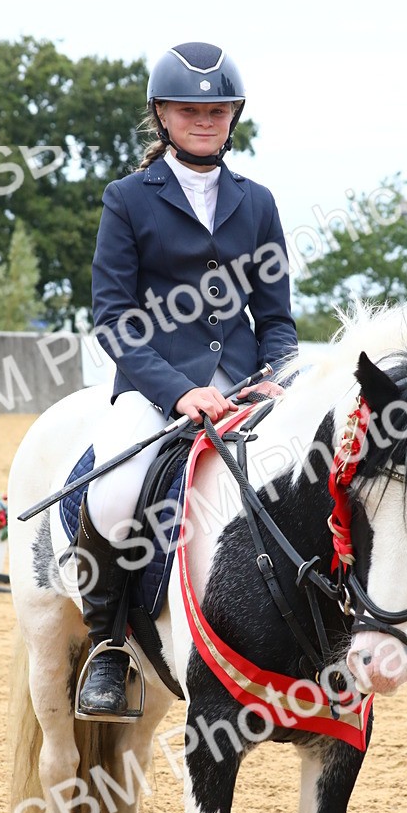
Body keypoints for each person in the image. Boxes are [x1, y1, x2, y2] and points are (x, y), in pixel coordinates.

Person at [78, 41, 298, 717]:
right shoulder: (127, 199)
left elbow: (277, 316)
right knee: (115, 497)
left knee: (309, 478)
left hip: (247, 391)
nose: (203, 119)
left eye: (217, 109)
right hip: (156, 387)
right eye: (187, 108)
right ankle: (107, 647)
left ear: (233, 116)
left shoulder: (256, 202)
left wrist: (272, 378)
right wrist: (177, 389)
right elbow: (112, 318)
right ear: (162, 116)